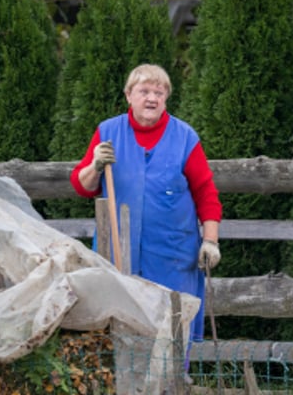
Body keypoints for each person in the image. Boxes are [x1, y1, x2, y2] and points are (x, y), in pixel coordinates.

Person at [71, 63, 222, 342]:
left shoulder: (185, 137)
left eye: (159, 92)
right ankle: (124, 385)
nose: (152, 98)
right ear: (129, 95)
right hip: (118, 252)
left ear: (166, 98)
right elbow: (82, 186)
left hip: (172, 255)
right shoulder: (107, 132)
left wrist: (210, 241)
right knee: (120, 324)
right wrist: (95, 165)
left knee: (173, 327)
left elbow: (206, 193)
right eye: (144, 91)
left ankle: (175, 384)